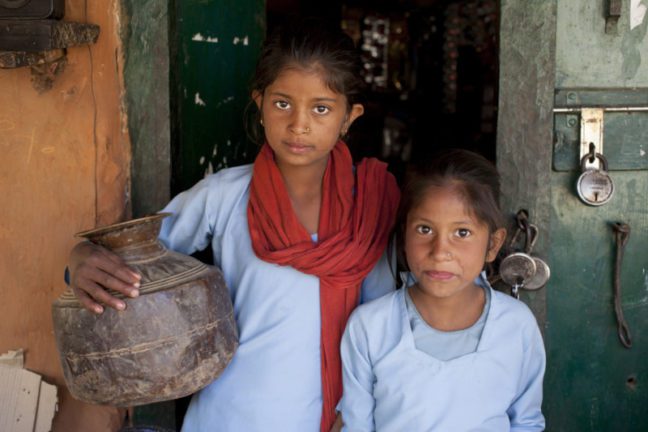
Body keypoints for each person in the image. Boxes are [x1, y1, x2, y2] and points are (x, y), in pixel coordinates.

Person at [67, 18, 400, 432]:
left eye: (321, 108)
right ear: (259, 102)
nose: (299, 124)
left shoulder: (368, 205)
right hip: (229, 413)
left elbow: (384, 324)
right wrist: (82, 258)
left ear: (350, 117)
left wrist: (357, 411)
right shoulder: (226, 195)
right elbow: (132, 254)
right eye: (282, 103)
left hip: (333, 416)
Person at [338, 149, 545, 431]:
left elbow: (526, 422)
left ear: (494, 244)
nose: (440, 252)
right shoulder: (371, 326)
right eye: (424, 229)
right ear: (404, 235)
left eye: (462, 233)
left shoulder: (515, 325)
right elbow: (356, 425)